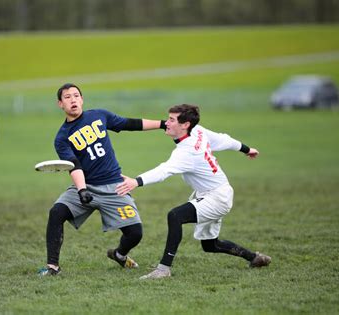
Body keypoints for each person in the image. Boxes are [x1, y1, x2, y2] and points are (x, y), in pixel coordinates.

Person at [116, 104, 271, 279]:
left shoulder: (186, 151)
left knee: (175, 216)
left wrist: (136, 181)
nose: (166, 123)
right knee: (210, 245)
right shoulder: (198, 132)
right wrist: (247, 149)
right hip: (215, 192)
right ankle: (255, 258)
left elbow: (164, 170)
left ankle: (163, 269)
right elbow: (224, 140)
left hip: (217, 196)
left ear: (185, 124)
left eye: (171, 120)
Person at [38, 83, 166, 276]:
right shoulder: (62, 137)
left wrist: (163, 124)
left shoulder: (99, 115)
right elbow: (74, 165)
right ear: (60, 104)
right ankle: (52, 267)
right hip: (86, 185)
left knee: (135, 233)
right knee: (56, 212)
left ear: (82, 99)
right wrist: (82, 190)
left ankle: (119, 255)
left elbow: (129, 124)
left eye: (76, 95)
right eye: (67, 97)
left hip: (115, 185)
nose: (73, 100)